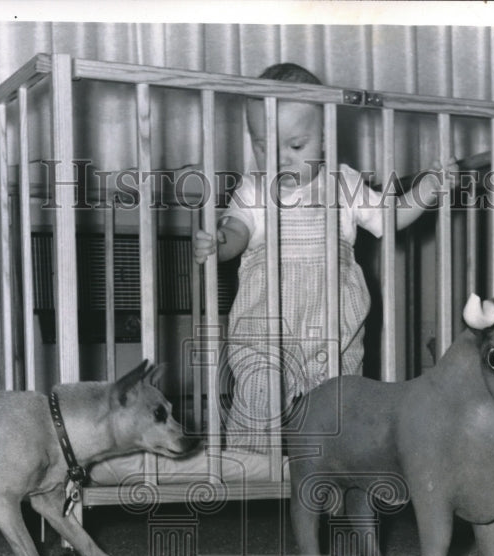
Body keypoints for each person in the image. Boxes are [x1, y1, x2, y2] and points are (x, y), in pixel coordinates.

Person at [193, 62, 452, 452]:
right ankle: (255, 470)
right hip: (268, 327)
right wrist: (218, 243)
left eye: (296, 146)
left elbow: (390, 218)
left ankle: (336, 474)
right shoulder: (255, 190)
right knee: (260, 395)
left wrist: (428, 188)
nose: (280, 158)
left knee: (339, 404)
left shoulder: (344, 184)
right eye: (264, 146)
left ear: (326, 138)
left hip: (335, 330)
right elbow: (238, 231)